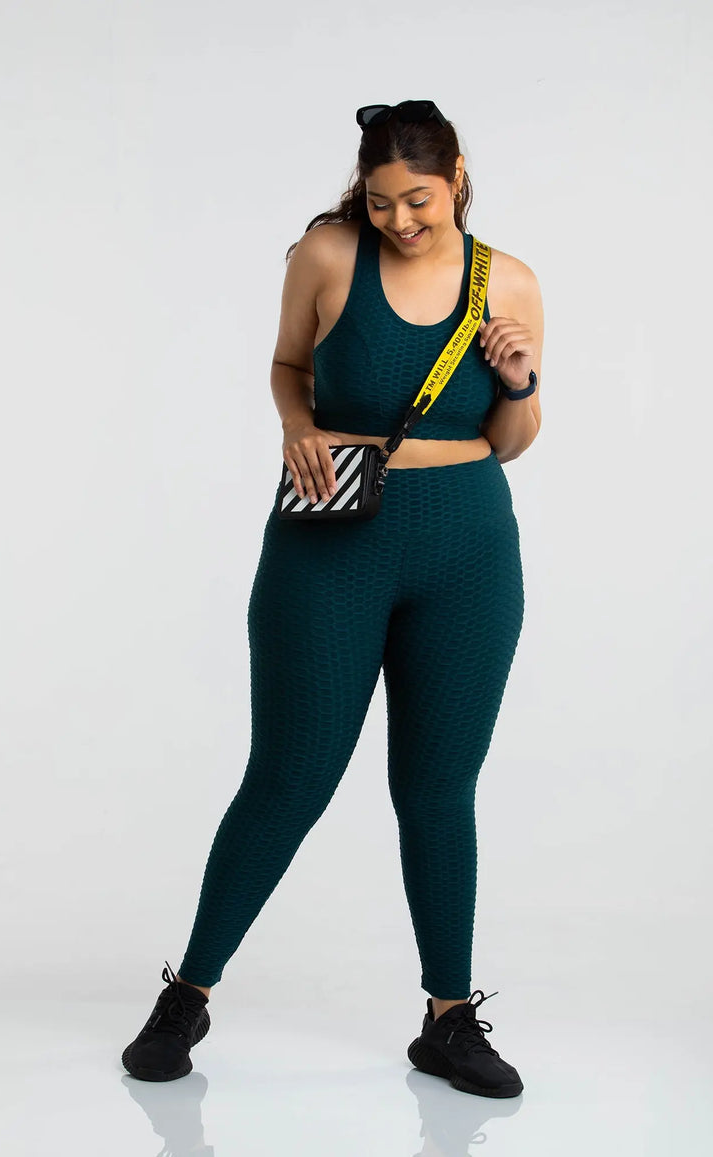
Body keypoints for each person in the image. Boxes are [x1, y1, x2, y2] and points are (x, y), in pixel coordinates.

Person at [121, 99, 543, 1099]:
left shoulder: (510, 280)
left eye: (419, 201)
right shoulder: (324, 255)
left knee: (437, 789)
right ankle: (188, 993)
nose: (400, 221)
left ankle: (447, 1018)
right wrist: (295, 425)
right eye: (381, 201)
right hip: (330, 544)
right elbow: (286, 365)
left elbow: (512, 442)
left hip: (469, 552)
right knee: (289, 777)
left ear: (456, 178)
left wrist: (520, 381)